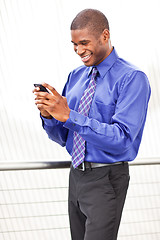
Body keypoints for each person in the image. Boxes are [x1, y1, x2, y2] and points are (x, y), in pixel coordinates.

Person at [33, 9, 151, 240]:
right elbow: (65, 137)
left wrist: (69, 116)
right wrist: (49, 116)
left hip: (106, 177)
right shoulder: (76, 76)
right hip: (76, 176)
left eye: (84, 43)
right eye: (74, 44)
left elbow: (122, 139)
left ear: (105, 36)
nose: (79, 51)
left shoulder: (132, 78)